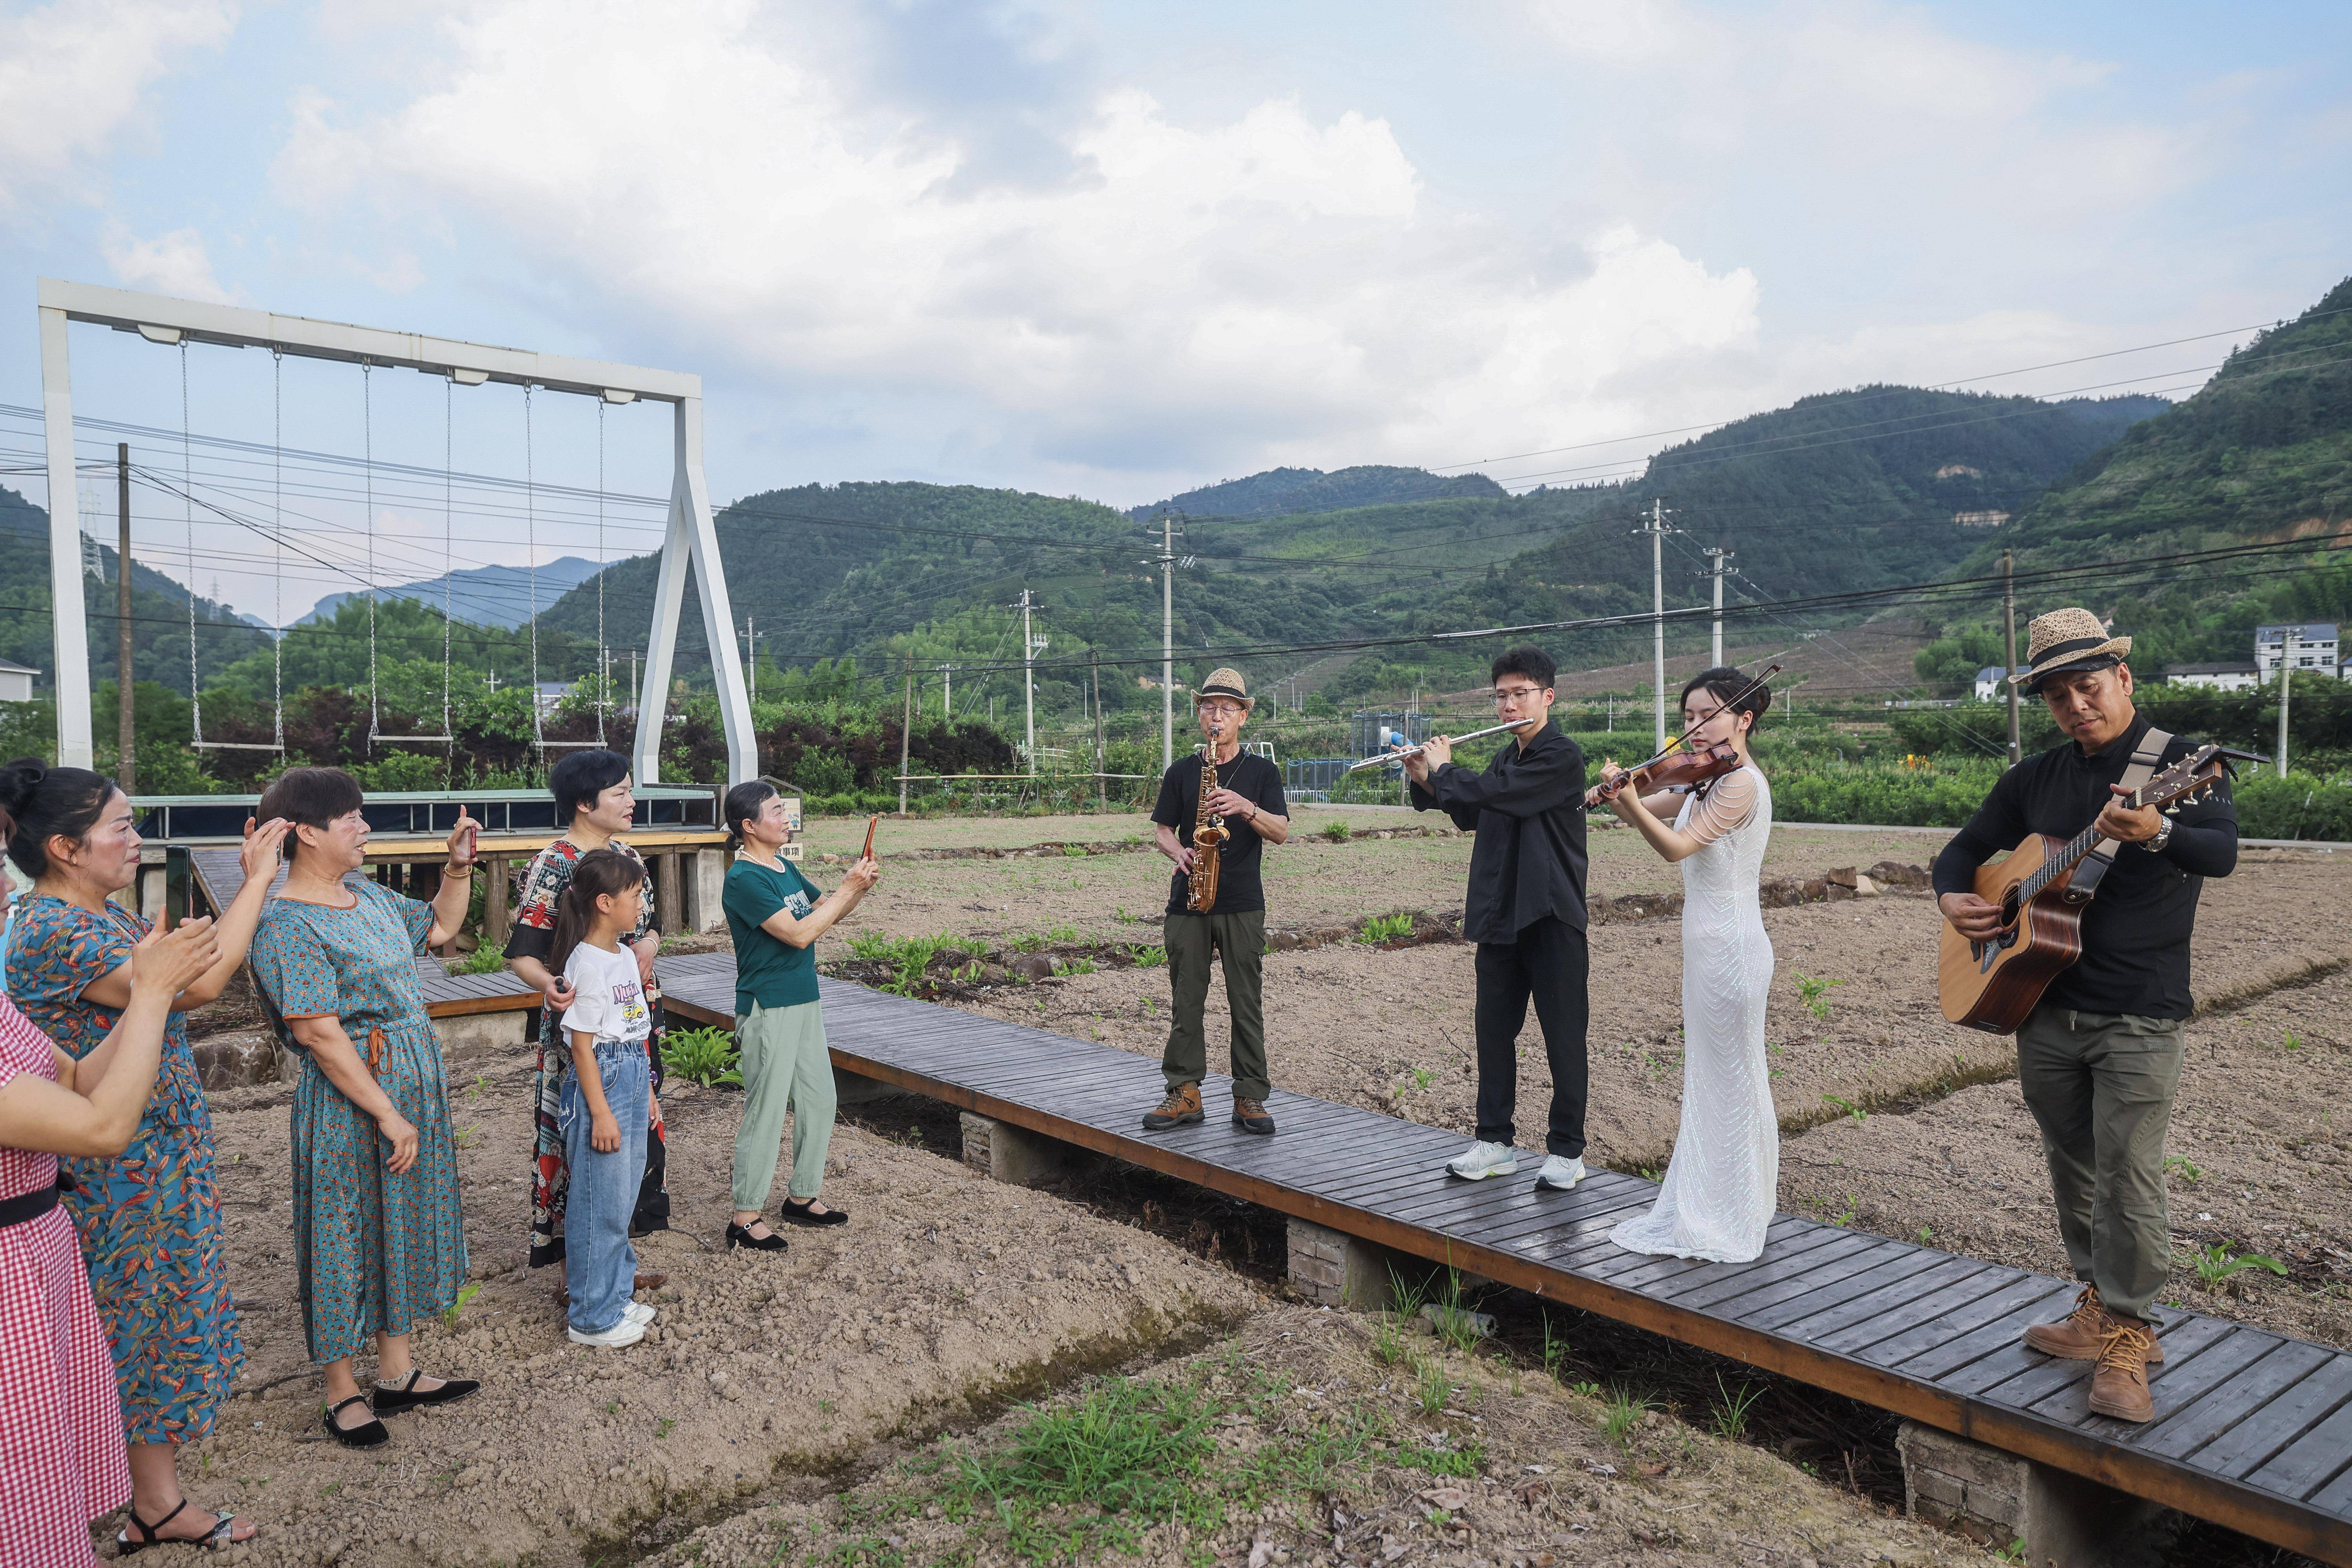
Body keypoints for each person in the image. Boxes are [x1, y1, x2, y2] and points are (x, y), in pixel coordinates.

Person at [1934, 608, 2237, 1423]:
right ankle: (2098, 1298)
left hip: (2139, 1010)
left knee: (2129, 1172)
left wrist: (2161, 826)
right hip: (2043, 1003)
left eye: (2089, 685)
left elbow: (2221, 851)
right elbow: (1960, 851)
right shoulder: (2035, 777)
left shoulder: (2179, 761)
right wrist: (1959, 899)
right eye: (2059, 694)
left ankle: (2133, 1333)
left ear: (2124, 678)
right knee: (2073, 1160)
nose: (2077, 704)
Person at [0, 759, 287, 1549]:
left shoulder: (103, 917)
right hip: (113, 1173)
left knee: (153, 1325)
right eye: (121, 826)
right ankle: (138, 1504)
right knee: (134, 1331)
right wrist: (256, 879)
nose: (137, 839)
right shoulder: (58, 930)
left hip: (151, 1161)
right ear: (65, 846)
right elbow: (195, 986)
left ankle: (151, 1500)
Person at [245, 767, 482, 1448]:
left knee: (398, 1221)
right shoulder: (286, 925)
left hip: (408, 1084)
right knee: (343, 1232)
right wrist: (386, 1111)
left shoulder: (367, 898)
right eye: (350, 818)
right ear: (306, 833)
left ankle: (398, 1373)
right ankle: (342, 1391)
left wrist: (457, 868)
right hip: (352, 1099)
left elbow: (438, 928)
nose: (364, 827)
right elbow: (318, 1032)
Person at [1599, 668, 1778, 1264]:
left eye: (1707, 715)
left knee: (1732, 1079)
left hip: (1731, 946)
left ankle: (1731, 1214)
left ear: (1743, 720)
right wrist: (1620, 795)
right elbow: (1641, 811)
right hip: (1707, 946)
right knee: (1713, 1079)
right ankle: (1719, 1202)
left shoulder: (1739, 785)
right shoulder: (1706, 781)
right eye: (1687, 717)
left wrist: (1630, 800)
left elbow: (1675, 845)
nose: (1694, 728)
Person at [1402, 646, 1591, 1189]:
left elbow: (1499, 796)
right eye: (1502, 697)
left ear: (1547, 697)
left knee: (1563, 1036)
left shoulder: (1561, 756)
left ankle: (1567, 1151)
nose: (1508, 706)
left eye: (1519, 695)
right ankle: (1495, 1142)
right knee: (1492, 1033)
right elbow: (1471, 810)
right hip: (1501, 913)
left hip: (1551, 914)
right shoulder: (1505, 757)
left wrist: (1446, 771)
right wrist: (1425, 777)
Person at [505, 748, 669, 1279]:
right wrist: (550, 986)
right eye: (619, 793)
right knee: (584, 1136)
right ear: (583, 803)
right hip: (583, 1023)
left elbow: (651, 926)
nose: (631, 801)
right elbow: (522, 955)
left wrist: (650, 944)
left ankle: (615, 1259)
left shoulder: (628, 856)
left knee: (633, 1132)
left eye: (629, 790)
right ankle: (581, 1270)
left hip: (637, 1015)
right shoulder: (553, 863)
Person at [719, 781, 878, 1250]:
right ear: (749, 826)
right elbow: (798, 934)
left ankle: (802, 1196)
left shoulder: (783, 867)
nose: (786, 818)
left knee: (819, 1099)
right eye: (775, 812)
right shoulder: (745, 878)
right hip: (768, 1005)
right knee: (766, 1110)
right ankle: (745, 1216)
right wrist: (846, 890)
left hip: (804, 998)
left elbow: (822, 913)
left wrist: (858, 888)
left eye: (784, 810)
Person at [1141, 668, 1290, 1136]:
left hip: (1243, 902)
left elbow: (1282, 831)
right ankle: (1184, 1091)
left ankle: (1250, 1094)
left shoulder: (1262, 772)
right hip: (1189, 899)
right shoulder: (1184, 771)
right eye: (1209, 707)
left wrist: (1246, 807)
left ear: (1243, 716)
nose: (1217, 716)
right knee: (1186, 1000)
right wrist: (1179, 850)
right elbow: (1163, 828)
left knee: (1246, 1002)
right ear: (1199, 712)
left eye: (1228, 709)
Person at [549, 851, 666, 1346]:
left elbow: (634, 1029)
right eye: (637, 895)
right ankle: (592, 1318)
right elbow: (582, 1046)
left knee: (621, 1199)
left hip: (632, 1075)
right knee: (599, 1202)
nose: (642, 904)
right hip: (604, 1079)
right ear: (604, 902)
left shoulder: (622, 955)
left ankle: (616, 1297)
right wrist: (600, 1111)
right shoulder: (588, 963)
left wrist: (648, 1096)